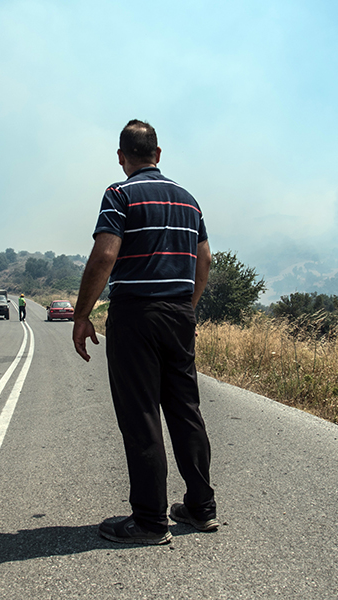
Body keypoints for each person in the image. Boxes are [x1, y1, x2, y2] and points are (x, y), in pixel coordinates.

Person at [72, 119, 216, 545]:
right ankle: (201, 507)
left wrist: (82, 314)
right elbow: (204, 261)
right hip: (178, 314)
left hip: (135, 316)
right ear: (158, 154)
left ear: (122, 157)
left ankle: (151, 521)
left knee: (141, 416)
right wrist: (186, 308)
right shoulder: (189, 201)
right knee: (185, 409)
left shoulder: (120, 194)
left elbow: (105, 255)